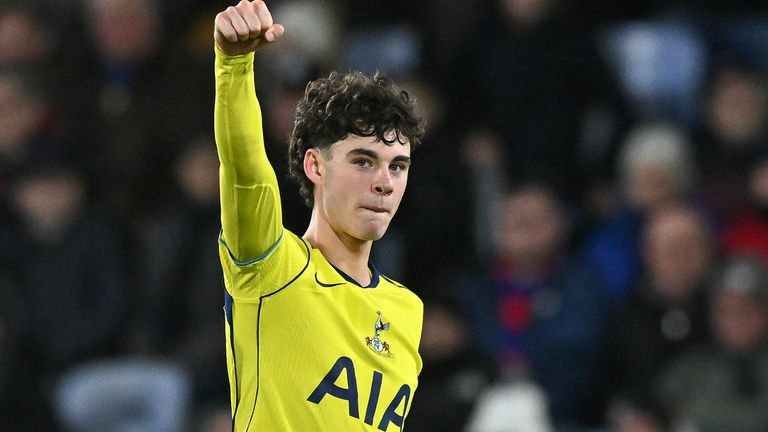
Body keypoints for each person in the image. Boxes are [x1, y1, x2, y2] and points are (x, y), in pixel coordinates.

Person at [212, 1, 425, 430]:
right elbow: (244, 167)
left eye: (397, 165)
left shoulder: (407, 310)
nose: (384, 182)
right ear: (315, 167)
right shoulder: (271, 268)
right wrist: (233, 67)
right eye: (363, 161)